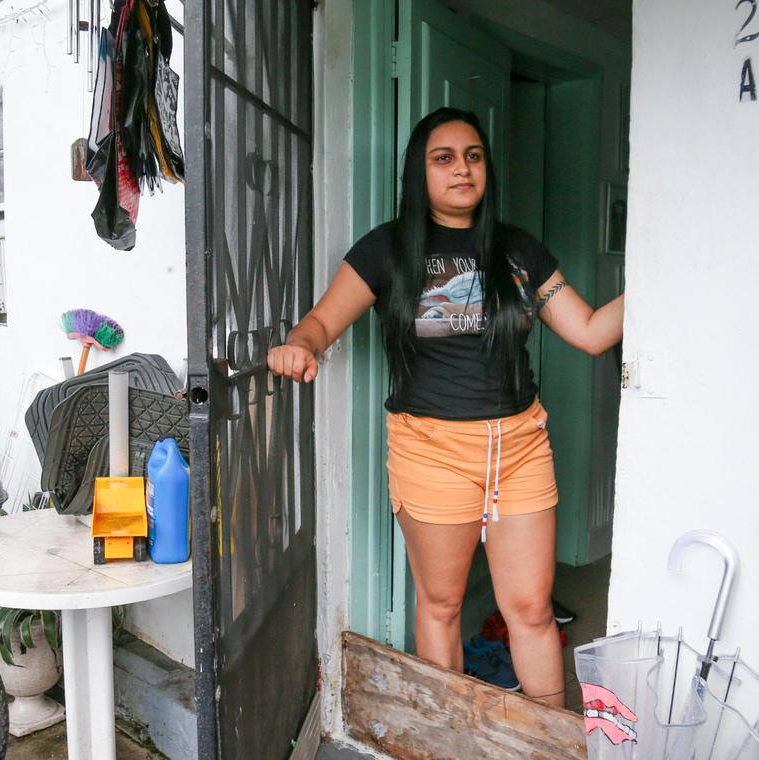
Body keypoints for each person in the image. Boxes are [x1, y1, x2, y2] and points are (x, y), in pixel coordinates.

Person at [267, 107, 624, 706]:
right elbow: (322, 322)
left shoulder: (518, 252)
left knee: (532, 609)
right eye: (445, 157)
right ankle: (451, 738)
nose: (463, 168)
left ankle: (549, 742)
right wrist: (299, 348)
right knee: (442, 604)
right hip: (431, 452)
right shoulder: (387, 249)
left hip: (519, 447)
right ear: (420, 172)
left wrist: (658, 280)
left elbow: (588, 330)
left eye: (474, 156)